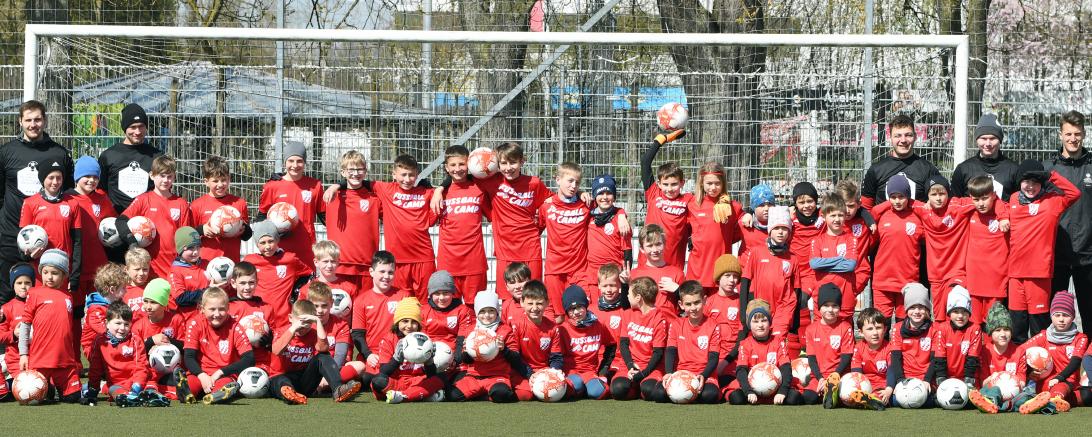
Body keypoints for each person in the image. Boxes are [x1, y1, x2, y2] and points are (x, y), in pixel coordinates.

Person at [0, 100, 73, 303]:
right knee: (7, 292)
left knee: (47, 292)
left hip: (48, 239)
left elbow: (67, 193)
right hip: (11, 233)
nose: (33, 124)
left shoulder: (59, 153)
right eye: (29, 120)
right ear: (20, 122)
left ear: (45, 120)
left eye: (38, 119)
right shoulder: (6, 152)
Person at [1007, 160, 1081, 342]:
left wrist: (1050, 175)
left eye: (1035, 181)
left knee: (1038, 326)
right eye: (1026, 181)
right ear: (1019, 182)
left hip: (1039, 274)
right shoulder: (1014, 199)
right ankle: (1018, 366)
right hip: (1015, 274)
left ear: (1042, 182)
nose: (1030, 186)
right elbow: (1000, 210)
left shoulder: (1053, 201)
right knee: (1017, 325)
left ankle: (1038, 367)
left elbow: (1075, 193)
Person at [1044, 111, 1092, 336]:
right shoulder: (1048, 169)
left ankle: (1088, 366)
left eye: (1077, 134)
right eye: (1068, 134)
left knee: (1090, 316)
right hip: (1056, 254)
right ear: (1060, 135)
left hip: (1088, 254)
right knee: (1055, 315)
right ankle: (1056, 364)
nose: (1073, 139)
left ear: (1084, 134)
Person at [370, 155, 438, 301]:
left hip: (423, 257)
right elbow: (358, 182)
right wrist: (337, 185)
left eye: (411, 175)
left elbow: (449, 190)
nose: (407, 179)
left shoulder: (426, 193)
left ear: (417, 175)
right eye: (403, 175)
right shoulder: (385, 189)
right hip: (397, 259)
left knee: (426, 300)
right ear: (394, 174)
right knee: (400, 300)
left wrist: (436, 190)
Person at [268, 299, 362, 404]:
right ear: (290, 318)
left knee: (323, 356)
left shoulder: (313, 333)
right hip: (281, 376)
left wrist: (317, 322)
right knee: (281, 381)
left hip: (304, 380)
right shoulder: (281, 331)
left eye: (307, 322)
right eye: (300, 321)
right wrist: (294, 327)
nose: (302, 327)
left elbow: (323, 349)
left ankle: (338, 389)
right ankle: (289, 394)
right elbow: (276, 351)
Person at [17, 249, 81, 403]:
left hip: (64, 360)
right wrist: (23, 354)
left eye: (55, 273)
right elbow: (25, 325)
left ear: (64, 275)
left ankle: (57, 387)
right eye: (45, 272)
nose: (49, 277)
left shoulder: (68, 297)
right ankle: (49, 387)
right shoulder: (34, 293)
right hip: (40, 360)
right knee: (39, 396)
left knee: (73, 398)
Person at [83, 302, 170, 407]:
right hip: (117, 384)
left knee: (150, 386)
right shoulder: (99, 341)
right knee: (114, 391)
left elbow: (141, 366)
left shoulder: (135, 340)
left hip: (138, 382)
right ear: (106, 323)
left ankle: (153, 397)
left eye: (126, 324)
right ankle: (127, 399)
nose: (122, 328)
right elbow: (95, 368)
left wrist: (137, 386)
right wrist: (93, 389)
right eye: (118, 323)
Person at [116, 155, 190, 279]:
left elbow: (185, 236)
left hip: (174, 264)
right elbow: (121, 221)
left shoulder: (181, 203)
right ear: (152, 175)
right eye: (162, 176)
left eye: (169, 176)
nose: (166, 180)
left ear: (174, 177)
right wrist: (132, 243)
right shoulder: (143, 200)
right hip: (149, 265)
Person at [449, 290, 528, 403]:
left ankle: (486, 394)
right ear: (476, 312)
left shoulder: (505, 330)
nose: (487, 315)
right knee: (453, 395)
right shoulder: (470, 330)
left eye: (491, 311)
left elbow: (515, 358)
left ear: (497, 312)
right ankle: (484, 394)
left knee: (502, 394)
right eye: (482, 311)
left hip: (497, 376)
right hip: (474, 376)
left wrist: (504, 349)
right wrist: (467, 352)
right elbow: (465, 361)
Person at [433, 146, 489, 304]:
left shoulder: (479, 188)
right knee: (450, 310)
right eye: (453, 165)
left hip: (474, 262)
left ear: (469, 165)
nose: (457, 169)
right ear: (446, 167)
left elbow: (494, 215)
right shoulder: (439, 194)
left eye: (462, 164)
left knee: (476, 309)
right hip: (448, 263)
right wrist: (438, 189)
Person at [258, 141, 323, 274]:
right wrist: (274, 231)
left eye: (299, 161)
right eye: (291, 160)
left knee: (305, 291)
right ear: (285, 162)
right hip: (279, 249)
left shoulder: (315, 185)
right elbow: (260, 219)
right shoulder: (272, 186)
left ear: (304, 162)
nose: (295, 165)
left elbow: (326, 217)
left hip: (306, 248)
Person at [1013, 292, 1084, 414]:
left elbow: (1076, 361)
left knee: (1082, 393)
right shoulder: (1043, 336)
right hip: (1045, 383)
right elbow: (1019, 351)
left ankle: (1043, 401)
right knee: (1060, 390)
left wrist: (1059, 378)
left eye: (1066, 315)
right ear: (1051, 316)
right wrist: (1028, 371)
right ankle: (1051, 402)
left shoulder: (1080, 338)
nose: (1061, 319)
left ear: (1073, 317)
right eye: (1057, 315)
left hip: (1068, 382)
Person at [178, 287, 251, 404]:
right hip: (200, 374)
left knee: (223, 386)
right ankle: (187, 394)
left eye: (221, 309)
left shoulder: (235, 326)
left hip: (224, 375)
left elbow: (249, 359)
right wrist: (201, 375)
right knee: (190, 385)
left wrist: (220, 372)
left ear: (228, 308)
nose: (217, 314)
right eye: (212, 309)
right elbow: (189, 356)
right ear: (202, 309)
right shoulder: (195, 323)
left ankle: (214, 396)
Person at [18, 161, 83, 294]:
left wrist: (75, 274)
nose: (55, 182)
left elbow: (78, 242)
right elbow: (22, 238)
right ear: (43, 179)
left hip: (63, 268)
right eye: (51, 178)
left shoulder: (72, 203)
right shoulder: (30, 203)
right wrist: (28, 257)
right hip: (40, 270)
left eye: (59, 178)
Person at [348, 250, 408, 390]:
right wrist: (368, 355)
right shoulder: (361, 300)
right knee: (367, 377)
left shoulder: (403, 296)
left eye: (390, 272)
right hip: (373, 356)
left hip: (397, 354)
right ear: (371, 271)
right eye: (382, 272)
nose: (386, 276)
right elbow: (357, 334)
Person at [322, 150, 381, 292]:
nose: (356, 173)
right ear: (343, 172)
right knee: (340, 310)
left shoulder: (374, 198)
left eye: (359, 169)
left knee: (364, 308)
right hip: (339, 264)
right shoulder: (332, 196)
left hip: (366, 265)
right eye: (351, 169)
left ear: (365, 171)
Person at [724, 299, 801, 405]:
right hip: (751, 387)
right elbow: (741, 370)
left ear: (770, 322)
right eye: (755, 321)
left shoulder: (778, 341)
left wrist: (782, 391)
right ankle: (753, 397)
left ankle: (774, 397)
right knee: (736, 398)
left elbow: (786, 368)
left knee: (794, 398)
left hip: (775, 388)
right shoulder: (745, 344)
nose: (760, 325)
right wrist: (748, 391)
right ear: (749, 324)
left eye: (764, 320)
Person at [539, 162, 591, 317]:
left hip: (580, 270)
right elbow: (533, 231)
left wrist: (621, 214)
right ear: (557, 180)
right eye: (570, 181)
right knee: (558, 316)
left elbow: (608, 208)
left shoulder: (586, 205)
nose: (574, 186)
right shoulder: (547, 207)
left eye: (577, 182)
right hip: (555, 271)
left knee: (582, 314)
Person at [370, 297, 444, 404]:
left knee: (441, 378)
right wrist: (396, 359)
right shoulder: (389, 339)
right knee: (377, 381)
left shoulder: (424, 339)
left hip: (418, 381)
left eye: (414, 322)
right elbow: (383, 372)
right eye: (405, 321)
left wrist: (429, 361)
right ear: (397, 322)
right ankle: (420, 395)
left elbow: (431, 375)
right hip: (396, 382)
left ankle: (404, 396)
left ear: (419, 324)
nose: (409, 326)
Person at [860, 114, 943, 208]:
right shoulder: (876, 170)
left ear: (915, 137)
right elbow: (866, 207)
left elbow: (942, 199)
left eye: (908, 135)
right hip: (884, 222)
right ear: (890, 137)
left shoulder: (928, 169)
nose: (903, 140)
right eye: (897, 136)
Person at [870, 175, 923, 319]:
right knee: (881, 325)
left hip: (908, 282)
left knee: (904, 325)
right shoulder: (883, 216)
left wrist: (912, 203)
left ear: (909, 196)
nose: (897, 201)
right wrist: (888, 203)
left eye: (901, 196)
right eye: (893, 197)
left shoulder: (917, 217)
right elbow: (871, 213)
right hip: (883, 281)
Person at [741, 205, 798, 339]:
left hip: (783, 310)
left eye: (784, 228)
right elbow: (745, 282)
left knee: (777, 343)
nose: (780, 232)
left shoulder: (793, 259)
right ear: (770, 230)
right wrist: (744, 314)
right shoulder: (756, 252)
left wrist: (794, 323)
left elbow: (796, 290)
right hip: (759, 308)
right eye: (776, 228)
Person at [67, 156, 116, 309]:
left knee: (100, 310)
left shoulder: (102, 198)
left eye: (95, 177)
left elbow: (113, 224)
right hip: (76, 267)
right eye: (86, 176)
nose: (91, 180)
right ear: (77, 177)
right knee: (75, 311)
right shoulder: (67, 198)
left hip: (99, 266)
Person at [662, 280, 722, 404]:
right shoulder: (676, 324)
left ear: (704, 300)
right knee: (657, 394)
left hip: (705, 375)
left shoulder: (713, 325)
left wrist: (704, 375)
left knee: (709, 395)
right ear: (681, 304)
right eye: (688, 304)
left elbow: (714, 357)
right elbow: (670, 351)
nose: (693, 308)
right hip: (682, 373)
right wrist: (669, 373)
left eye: (697, 302)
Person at [242, 220, 308, 331]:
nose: (267, 246)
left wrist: (295, 291)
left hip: (283, 320)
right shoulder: (250, 261)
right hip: (258, 319)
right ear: (257, 244)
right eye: (262, 243)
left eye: (271, 241)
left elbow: (308, 274)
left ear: (277, 240)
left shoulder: (289, 259)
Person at [686, 162, 742, 292]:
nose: (713, 187)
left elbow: (740, 230)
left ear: (723, 184)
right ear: (701, 183)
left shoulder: (733, 207)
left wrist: (747, 215)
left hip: (721, 270)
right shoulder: (692, 205)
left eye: (717, 183)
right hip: (698, 269)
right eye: (709, 183)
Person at [609, 277, 667, 401]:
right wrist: (630, 366)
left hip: (650, 367)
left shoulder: (659, 318)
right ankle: (634, 388)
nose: (627, 296)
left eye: (629, 293)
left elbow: (658, 353)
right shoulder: (628, 314)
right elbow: (623, 344)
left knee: (650, 390)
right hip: (629, 365)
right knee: (618, 389)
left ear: (638, 298)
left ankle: (640, 388)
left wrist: (643, 374)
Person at [97, 103, 160, 215]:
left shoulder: (156, 156)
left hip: (146, 218)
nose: (138, 132)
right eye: (133, 127)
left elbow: (162, 189)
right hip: (116, 218)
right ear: (125, 128)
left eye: (141, 126)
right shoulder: (109, 155)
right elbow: (100, 190)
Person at [640, 128, 690, 267]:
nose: (669, 189)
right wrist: (660, 141)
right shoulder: (653, 193)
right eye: (665, 184)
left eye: (674, 184)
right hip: (648, 264)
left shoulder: (688, 200)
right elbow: (645, 162)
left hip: (673, 265)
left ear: (682, 183)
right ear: (659, 184)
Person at [887, 282, 942, 409]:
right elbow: (895, 358)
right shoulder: (897, 328)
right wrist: (900, 381)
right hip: (905, 379)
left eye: (921, 307)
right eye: (912, 308)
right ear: (906, 310)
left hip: (925, 380)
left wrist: (927, 380)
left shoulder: (935, 329)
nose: (917, 312)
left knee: (927, 400)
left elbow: (936, 359)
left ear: (927, 309)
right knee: (895, 400)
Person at [187, 156, 251, 263]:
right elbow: (188, 236)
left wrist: (241, 228)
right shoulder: (197, 205)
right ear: (206, 182)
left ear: (229, 179)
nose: (220, 185)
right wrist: (201, 230)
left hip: (232, 261)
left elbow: (247, 236)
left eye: (224, 180)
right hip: (205, 263)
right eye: (215, 181)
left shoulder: (239, 203)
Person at [963, 176, 1010, 323]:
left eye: (985, 198)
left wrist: (1002, 217)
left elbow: (1004, 205)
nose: (981, 204)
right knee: (974, 323)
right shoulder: (970, 212)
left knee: (993, 323)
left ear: (994, 195)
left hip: (996, 280)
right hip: (974, 279)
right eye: (976, 200)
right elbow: (952, 204)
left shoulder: (1004, 212)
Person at [558, 284, 615, 400]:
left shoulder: (598, 325)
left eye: (580, 307)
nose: (577, 312)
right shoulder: (563, 329)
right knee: (577, 385)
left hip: (590, 371)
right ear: (566, 311)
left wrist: (603, 370)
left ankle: (585, 388)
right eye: (572, 309)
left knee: (600, 392)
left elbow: (611, 345)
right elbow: (556, 355)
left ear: (586, 306)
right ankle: (579, 389)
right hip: (570, 371)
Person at [509, 280, 563, 401]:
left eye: (539, 303)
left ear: (547, 303)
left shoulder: (553, 327)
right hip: (523, 370)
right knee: (525, 395)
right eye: (530, 303)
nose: (534, 308)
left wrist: (554, 372)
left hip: (545, 371)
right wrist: (529, 374)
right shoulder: (516, 325)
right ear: (522, 302)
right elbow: (514, 358)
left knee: (566, 390)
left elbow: (556, 357)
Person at [808, 194, 860, 319]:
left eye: (840, 215)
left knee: (844, 334)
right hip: (822, 300)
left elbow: (850, 266)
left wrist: (823, 265)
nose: (837, 219)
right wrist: (840, 259)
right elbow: (814, 264)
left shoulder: (851, 239)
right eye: (833, 215)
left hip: (845, 299)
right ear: (824, 216)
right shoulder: (817, 241)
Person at [802, 284, 853, 408]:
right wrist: (820, 379)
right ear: (819, 307)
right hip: (819, 377)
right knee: (809, 398)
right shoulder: (810, 329)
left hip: (839, 375)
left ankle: (832, 393)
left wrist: (833, 378)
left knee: (846, 396)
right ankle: (828, 394)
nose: (830, 310)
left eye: (835, 306)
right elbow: (812, 359)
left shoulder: (846, 327)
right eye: (826, 305)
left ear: (839, 308)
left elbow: (846, 357)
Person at [951, 113, 1020, 199]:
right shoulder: (963, 169)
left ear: (1000, 141)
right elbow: (954, 203)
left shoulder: (1013, 169)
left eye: (992, 138)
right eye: (983, 138)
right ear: (977, 140)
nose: (988, 143)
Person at [419, 270, 472, 379]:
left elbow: (463, 339)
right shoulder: (423, 311)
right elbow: (421, 340)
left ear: (452, 293)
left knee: (455, 393)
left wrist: (455, 360)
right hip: (428, 360)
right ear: (431, 294)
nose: (441, 298)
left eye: (446, 293)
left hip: (455, 362)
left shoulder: (462, 310)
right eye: (437, 293)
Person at [585, 175, 632, 287]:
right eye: (600, 193)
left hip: (613, 275)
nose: (605, 197)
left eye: (609, 193)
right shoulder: (588, 215)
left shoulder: (621, 221)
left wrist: (625, 276)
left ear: (614, 196)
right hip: (593, 274)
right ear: (595, 196)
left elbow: (627, 250)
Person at [630, 224, 685, 315]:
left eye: (658, 244)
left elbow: (687, 304)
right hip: (644, 325)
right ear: (642, 249)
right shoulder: (634, 274)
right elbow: (628, 306)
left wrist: (677, 290)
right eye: (650, 246)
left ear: (664, 244)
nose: (655, 250)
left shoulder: (677, 273)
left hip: (668, 324)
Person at [706, 255, 743, 388]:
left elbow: (742, 338)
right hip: (712, 357)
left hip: (733, 358)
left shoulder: (740, 302)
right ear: (718, 277)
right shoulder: (709, 302)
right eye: (727, 275)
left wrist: (726, 362)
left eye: (735, 276)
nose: (732, 280)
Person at [933, 286, 981, 384]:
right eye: (955, 311)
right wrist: (941, 378)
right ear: (949, 313)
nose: (960, 316)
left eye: (964, 312)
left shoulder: (975, 329)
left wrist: (968, 380)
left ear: (969, 313)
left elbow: (973, 357)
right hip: (947, 377)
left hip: (967, 377)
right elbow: (939, 356)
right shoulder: (942, 328)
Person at [80, 263, 128, 359]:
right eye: (123, 287)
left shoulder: (115, 303)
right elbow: (104, 331)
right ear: (112, 289)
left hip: (107, 342)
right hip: (93, 347)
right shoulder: (95, 309)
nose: (126, 291)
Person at [0, 263, 34, 399]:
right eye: (19, 282)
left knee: (46, 388)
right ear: (13, 285)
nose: (23, 286)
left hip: (39, 357)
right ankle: (8, 384)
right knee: (25, 390)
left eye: (27, 282)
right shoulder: (6, 308)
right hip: (16, 359)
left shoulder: (38, 304)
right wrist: (13, 334)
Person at [169, 227, 216, 322]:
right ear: (180, 250)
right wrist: (207, 291)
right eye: (190, 248)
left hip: (211, 319)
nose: (195, 252)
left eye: (198, 247)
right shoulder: (175, 271)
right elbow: (180, 298)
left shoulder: (207, 264)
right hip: (190, 320)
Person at [850, 308, 894, 409]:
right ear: (861, 332)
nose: (875, 333)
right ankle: (866, 400)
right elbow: (857, 374)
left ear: (885, 329)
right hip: (865, 387)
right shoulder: (858, 348)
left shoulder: (890, 347)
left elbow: (892, 371)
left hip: (884, 388)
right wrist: (860, 389)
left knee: (893, 397)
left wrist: (888, 389)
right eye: (870, 329)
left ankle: (871, 402)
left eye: (878, 328)